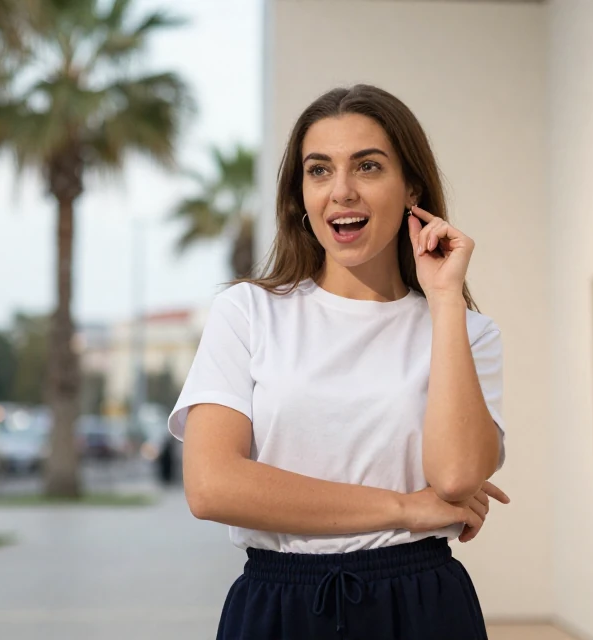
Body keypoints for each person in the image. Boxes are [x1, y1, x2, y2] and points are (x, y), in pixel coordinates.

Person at [168, 84, 510, 640]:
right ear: (299, 192)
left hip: (421, 606)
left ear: (411, 189)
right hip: (277, 605)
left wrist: (446, 298)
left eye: (368, 167)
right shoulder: (248, 313)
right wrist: (403, 508)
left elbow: (454, 476)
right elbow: (212, 487)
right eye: (319, 170)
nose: (341, 191)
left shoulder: (467, 331)